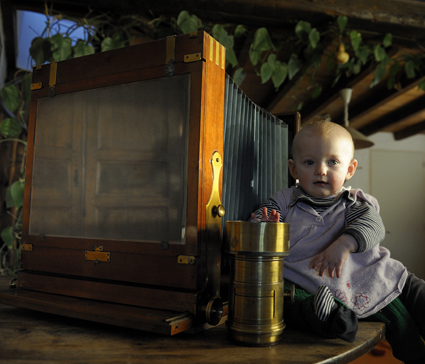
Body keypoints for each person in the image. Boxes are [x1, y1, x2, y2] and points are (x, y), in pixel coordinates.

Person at [250, 120, 425, 363]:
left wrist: (344, 244)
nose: (321, 170)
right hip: (310, 281)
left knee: (415, 292)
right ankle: (331, 317)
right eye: (309, 162)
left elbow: (373, 227)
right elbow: (262, 215)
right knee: (287, 299)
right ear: (293, 169)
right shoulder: (285, 199)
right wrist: (265, 222)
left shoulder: (351, 201)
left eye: (332, 162)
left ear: (350, 169)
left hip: (368, 273)